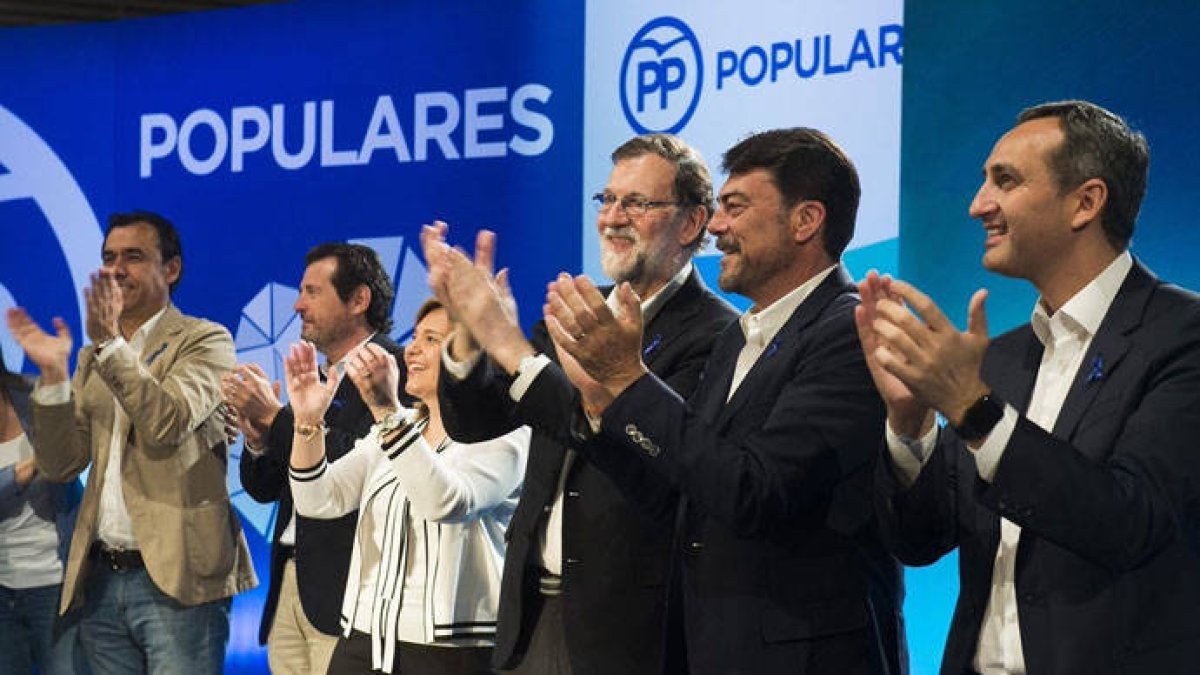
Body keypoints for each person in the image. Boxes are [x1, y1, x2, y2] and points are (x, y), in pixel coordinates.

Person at [545, 128, 906, 674]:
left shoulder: (848, 332)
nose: (715, 227)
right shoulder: (743, 335)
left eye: (734, 208)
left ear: (805, 221)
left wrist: (628, 377)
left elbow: (754, 490)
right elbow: (682, 490)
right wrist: (602, 399)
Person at [858, 100, 1200, 674]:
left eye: (1005, 181)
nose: (977, 205)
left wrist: (972, 409)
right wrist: (910, 423)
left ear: (1086, 202)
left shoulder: (1182, 336)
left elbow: (1129, 521)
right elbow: (920, 541)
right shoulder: (1002, 358)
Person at [425, 133, 738, 674]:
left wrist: (507, 341)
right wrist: (469, 334)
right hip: (529, 616)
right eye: (607, 200)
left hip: (627, 630)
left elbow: (645, 457)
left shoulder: (716, 335)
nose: (613, 218)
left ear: (691, 224)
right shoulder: (574, 310)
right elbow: (477, 422)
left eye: (636, 203)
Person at [5, 210, 256, 675]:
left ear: (172, 269)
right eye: (109, 257)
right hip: (101, 580)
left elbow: (167, 421)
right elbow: (62, 463)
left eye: (133, 257)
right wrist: (57, 379)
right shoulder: (93, 355)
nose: (116, 269)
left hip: (177, 580)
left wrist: (110, 348)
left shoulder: (204, 340)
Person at [286, 299, 529, 674]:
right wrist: (307, 423)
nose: (411, 348)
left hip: (449, 651)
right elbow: (318, 501)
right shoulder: (399, 429)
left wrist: (386, 412)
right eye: (414, 337)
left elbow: (446, 502)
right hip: (363, 641)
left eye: (431, 339)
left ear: (471, 356)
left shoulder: (507, 435)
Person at [225, 242, 408, 675]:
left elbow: (363, 460)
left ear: (358, 300)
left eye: (312, 291)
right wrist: (258, 439)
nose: (297, 303)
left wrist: (276, 418)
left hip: (348, 595)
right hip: (289, 585)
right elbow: (267, 490)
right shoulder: (317, 378)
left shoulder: (394, 372)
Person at [0, 345, 87, 675]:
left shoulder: (35, 394)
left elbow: (71, 457)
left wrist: (57, 374)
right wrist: (26, 469)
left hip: (55, 581)